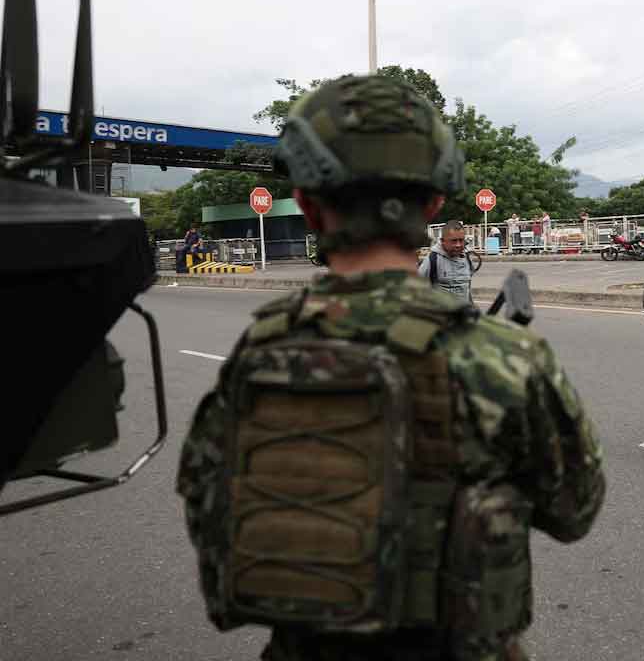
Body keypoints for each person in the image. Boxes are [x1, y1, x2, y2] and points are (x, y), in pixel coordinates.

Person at [176, 75, 605, 661]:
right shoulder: (502, 356)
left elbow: (207, 509)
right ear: (434, 204)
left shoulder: (259, 352)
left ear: (307, 205)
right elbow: (575, 510)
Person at [418, 219, 474, 303]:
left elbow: (467, 288)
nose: (458, 245)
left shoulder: (467, 258)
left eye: (461, 240)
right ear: (442, 241)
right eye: (454, 241)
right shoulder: (433, 259)